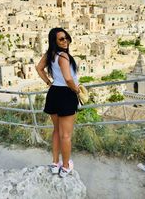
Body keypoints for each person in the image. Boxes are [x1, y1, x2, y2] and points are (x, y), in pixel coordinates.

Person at [36, 27, 80, 178]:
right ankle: (66, 166)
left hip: (54, 93)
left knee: (56, 131)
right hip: (66, 95)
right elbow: (68, 79)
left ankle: (55, 164)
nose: (65, 40)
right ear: (54, 41)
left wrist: (48, 82)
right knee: (66, 135)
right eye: (61, 39)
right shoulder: (64, 57)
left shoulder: (50, 54)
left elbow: (39, 68)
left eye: (66, 37)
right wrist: (77, 90)